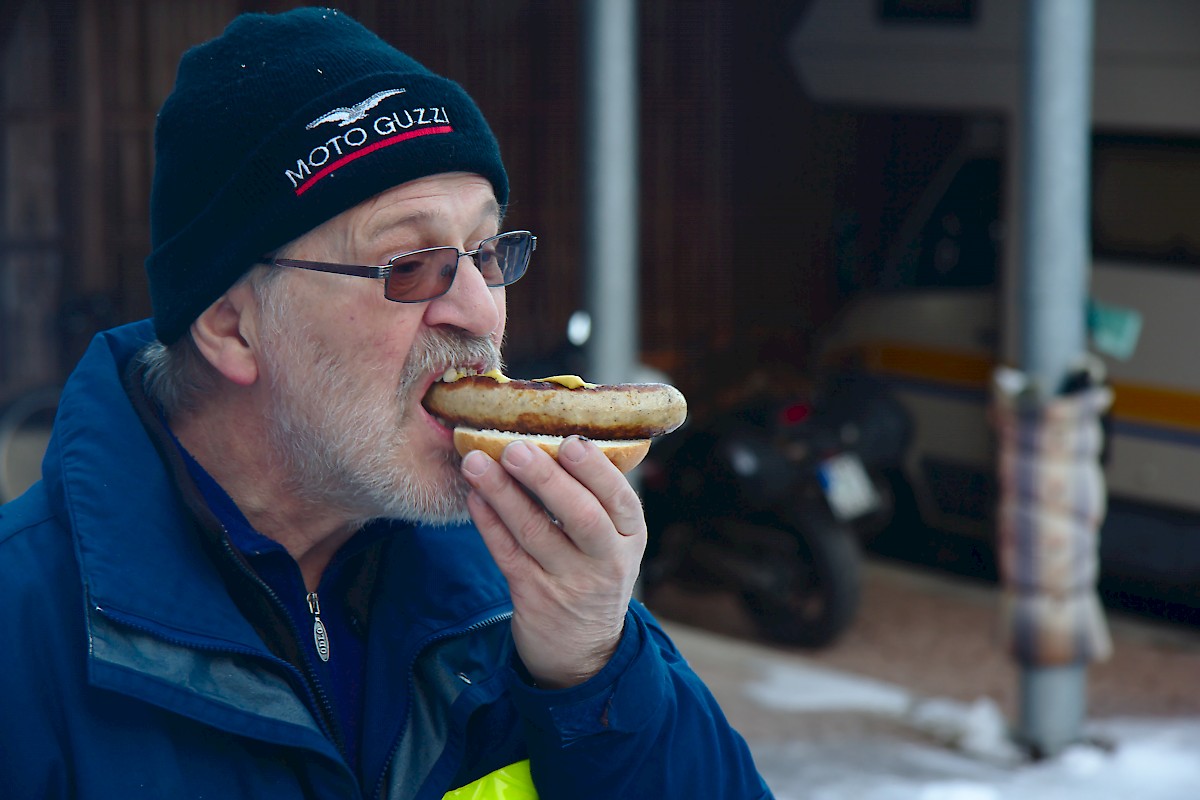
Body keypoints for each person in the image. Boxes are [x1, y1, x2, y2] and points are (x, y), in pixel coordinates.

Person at [0, 8, 774, 799]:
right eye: (410, 265)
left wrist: (594, 675)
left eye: (487, 252)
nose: (479, 312)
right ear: (232, 326)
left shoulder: (519, 577)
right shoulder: (24, 635)